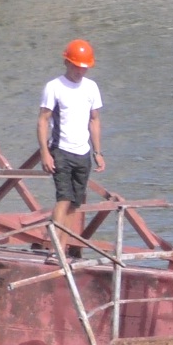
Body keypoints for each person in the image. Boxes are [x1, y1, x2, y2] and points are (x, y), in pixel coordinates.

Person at [37, 38, 104, 240]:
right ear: (66, 62)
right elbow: (42, 121)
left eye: (84, 68)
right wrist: (45, 153)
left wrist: (98, 153)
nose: (80, 71)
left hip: (82, 153)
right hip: (61, 151)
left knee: (75, 203)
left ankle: (63, 249)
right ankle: (54, 246)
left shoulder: (91, 88)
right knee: (64, 198)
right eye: (76, 66)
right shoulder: (54, 87)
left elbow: (94, 121)